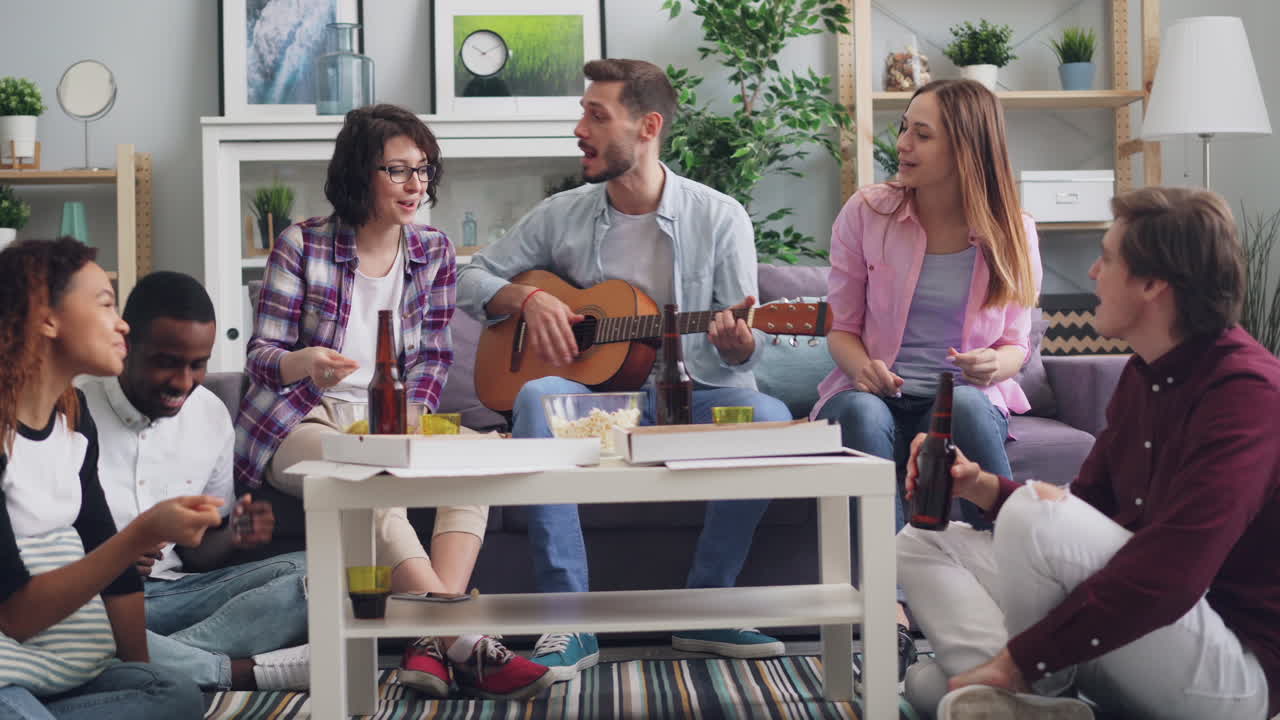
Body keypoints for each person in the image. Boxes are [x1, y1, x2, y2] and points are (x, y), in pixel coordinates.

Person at [456, 58, 793, 682]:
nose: (579, 128)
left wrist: (741, 344)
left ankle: (705, 607)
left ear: (648, 127)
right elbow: (466, 275)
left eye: (596, 115)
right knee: (535, 397)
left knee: (770, 418)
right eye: (583, 112)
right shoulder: (563, 214)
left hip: (692, 398)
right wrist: (527, 299)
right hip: (599, 407)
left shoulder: (720, 218)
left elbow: (744, 349)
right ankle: (567, 616)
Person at [898, 187, 1279, 720]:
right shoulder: (1143, 374)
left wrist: (1015, 660)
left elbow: (1172, 577)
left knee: (1034, 517)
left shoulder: (1246, 393)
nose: (1093, 273)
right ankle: (1030, 703)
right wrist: (977, 485)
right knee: (920, 545)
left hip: (1225, 670)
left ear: (1152, 284)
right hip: (1133, 633)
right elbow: (1087, 513)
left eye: (1107, 257)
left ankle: (1025, 689)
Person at [232, 103, 551, 700]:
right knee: (366, 481)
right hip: (301, 415)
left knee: (472, 466)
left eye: (424, 170)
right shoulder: (301, 245)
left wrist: (409, 419)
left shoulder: (432, 251)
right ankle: (464, 638)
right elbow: (261, 357)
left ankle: (427, 645)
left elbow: (432, 358)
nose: (417, 186)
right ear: (360, 174)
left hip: (391, 416)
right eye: (398, 171)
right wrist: (306, 362)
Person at [810, 78, 1041, 675]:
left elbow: (1018, 345)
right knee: (860, 413)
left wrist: (996, 364)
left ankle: (1024, 598)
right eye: (905, 127)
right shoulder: (867, 213)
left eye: (922, 132)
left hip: (959, 396)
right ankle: (891, 615)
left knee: (967, 407)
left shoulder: (1012, 228)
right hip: (872, 394)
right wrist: (863, 368)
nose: (903, 143)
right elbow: (842, 328)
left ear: (965, 147)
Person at [0, 237, 216, 720]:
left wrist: (140, 674)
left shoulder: (73, 422)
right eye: (104, 303)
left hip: (61, 671)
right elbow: (15, 617)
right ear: (46, 317)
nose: (122, 323)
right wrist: (144, 531)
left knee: (172, 693)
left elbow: (110, 563)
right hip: (5, 672)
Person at [80, 271, 310, 691]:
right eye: (166, 363)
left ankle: (135, 664)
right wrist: (110, 560)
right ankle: (232, 672)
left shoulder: (209, 415)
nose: (183, 383)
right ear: (125, 344)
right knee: (67, 623)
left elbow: (199, 555)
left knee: (314, 578)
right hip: (90, 602)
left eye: (197, 365)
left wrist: (234, 535)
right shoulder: (72, 408)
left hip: (177, 598)